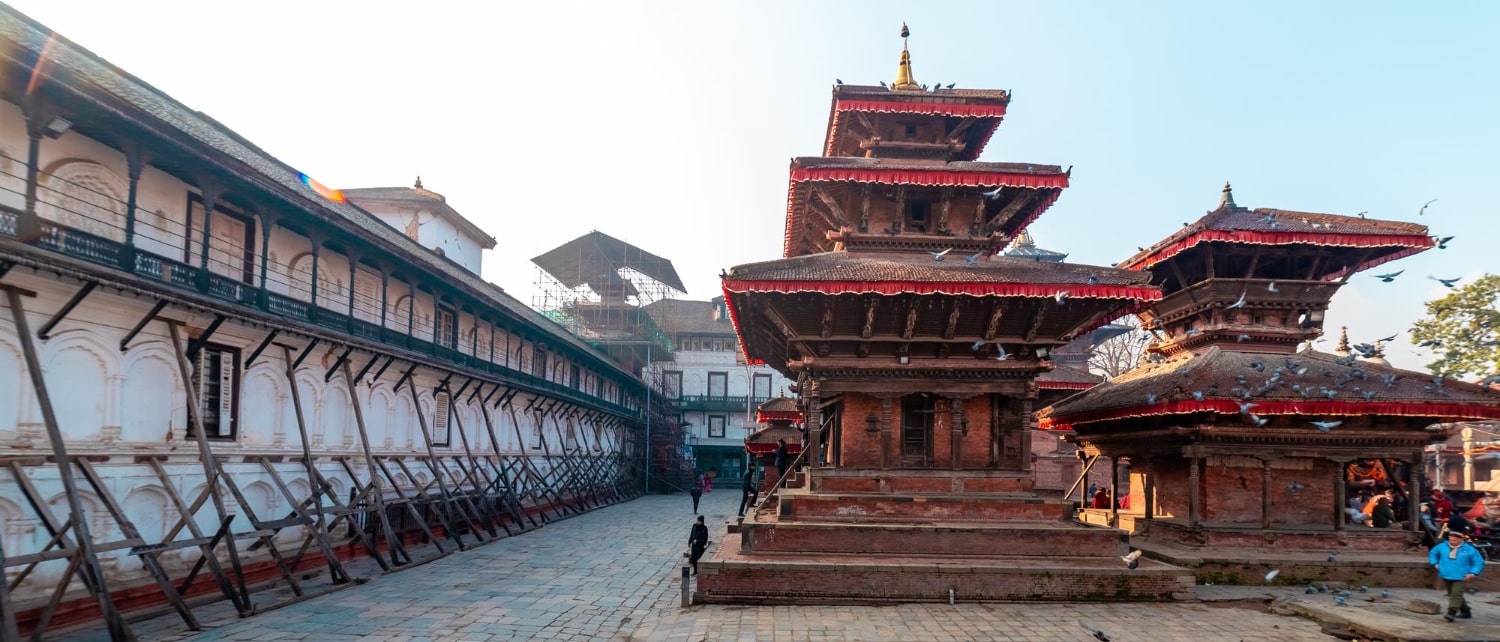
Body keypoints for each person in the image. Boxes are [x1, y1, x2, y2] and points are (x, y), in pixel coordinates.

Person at [1429, 530, 1484, 621]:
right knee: (1452, 593)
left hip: (1462, 576)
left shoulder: (1469, 549)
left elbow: (1478, 562)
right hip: (1446, 573)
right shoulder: (1442, 546)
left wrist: (1473, 573)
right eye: (1451, 540)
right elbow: (1433, 553)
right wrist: (1435, 563)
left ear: (1461, 540)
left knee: (1456, 594)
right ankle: (1465, 610)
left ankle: (1451, 612)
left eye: (1454, 540)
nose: (1452, 542)